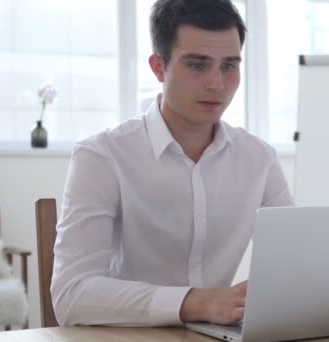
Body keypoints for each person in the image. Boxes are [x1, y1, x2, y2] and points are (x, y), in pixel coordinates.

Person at [52, 0, 293, 327]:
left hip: (213, 336)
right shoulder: (102, 156)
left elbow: (296, 267)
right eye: (197, 65)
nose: (217, 84)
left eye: (229, 65)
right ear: (158, 67)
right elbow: (71, 296)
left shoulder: (259, 159)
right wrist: (196, 302)